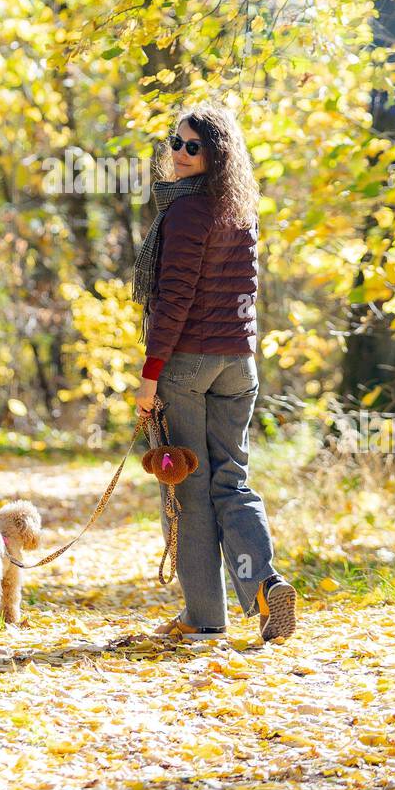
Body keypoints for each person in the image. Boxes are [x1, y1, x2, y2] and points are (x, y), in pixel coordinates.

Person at [132, 100, 297, 644]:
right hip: (238, 362)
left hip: (188, 366)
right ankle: (263, 585)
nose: (178, 154)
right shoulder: (240, 209)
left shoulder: (185, 213)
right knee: (232, 479)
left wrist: (150, 374)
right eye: (174, 143)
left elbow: (174, 300)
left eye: (191, 146)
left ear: (214, 153)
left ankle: (203, 617)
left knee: (188, 489)